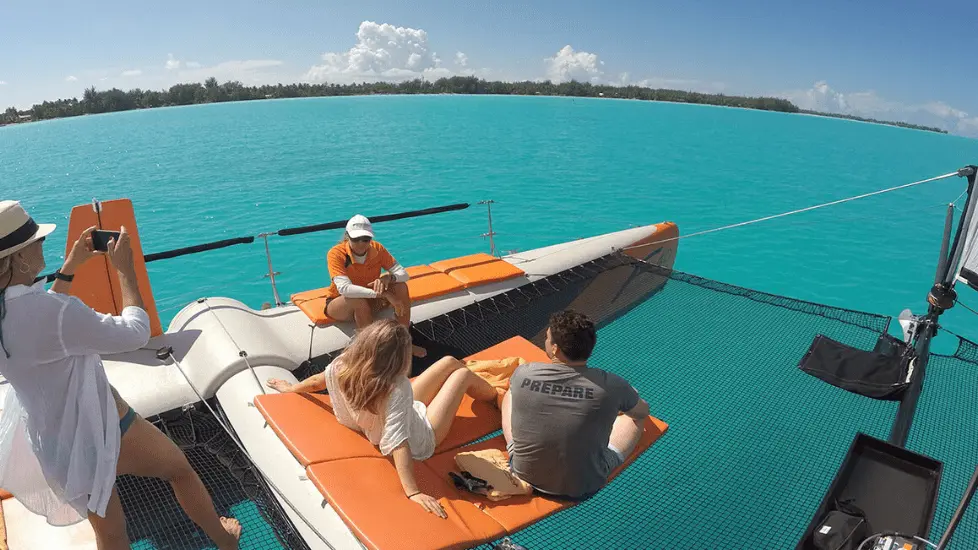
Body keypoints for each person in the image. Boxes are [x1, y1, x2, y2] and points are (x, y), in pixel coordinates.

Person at [0, 201, 241, 550]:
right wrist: (125, 270)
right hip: (106, 427)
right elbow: (134, 333)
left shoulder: (15, 311)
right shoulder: (55, 313)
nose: (42, 246)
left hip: (57, 444)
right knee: (179, 470)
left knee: (111, 534)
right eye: (36, 241)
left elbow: (43, 324)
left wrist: (70, 268)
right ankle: (226, 542)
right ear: (19, 258)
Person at [265, 319, 496, 517]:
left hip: (393, 412)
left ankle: (483, 385)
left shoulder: (342, 364)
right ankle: (497, 396)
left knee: (448, 362)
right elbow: (398, 441)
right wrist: (413, 491)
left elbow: (317, 381)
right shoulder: (397, 387)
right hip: (423, 436)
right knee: (462, 374)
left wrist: (292, 388)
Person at [501, 310, 650, 500]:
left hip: (524, 473)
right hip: (586, 484)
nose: (545, 341)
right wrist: (628, 396)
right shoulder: (613, 385)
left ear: (554, 349)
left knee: (511, 393)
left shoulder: (524, 374)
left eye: (547, 338)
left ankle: (516, 448)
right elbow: (643, 411)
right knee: (636, 418)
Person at [323, 214, 426, 357]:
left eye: (365, 239)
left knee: (401, 287)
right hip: (341, 303)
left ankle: (404, 343)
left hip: (370, 299)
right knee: (357, 300)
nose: (361, 243)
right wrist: (383, 294)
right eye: (355, 239)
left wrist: (389, 277)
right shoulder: (336, 253)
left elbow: (404, 274)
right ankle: (373, 351)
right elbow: (344, 288)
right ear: (347, 237)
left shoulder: (377, 249)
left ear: (371, 239)